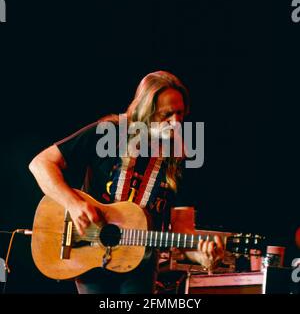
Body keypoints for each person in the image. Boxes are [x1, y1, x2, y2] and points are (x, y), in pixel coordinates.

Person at [29, 71, 224, 294]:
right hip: (88, 250)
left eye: (180, 113)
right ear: (145, 112)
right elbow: (41, 163)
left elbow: (182, 232)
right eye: (167, 115)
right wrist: (73, 204)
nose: (176, 123)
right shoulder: (108, 133)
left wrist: (204, 256)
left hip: (141, 264)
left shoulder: (180, 159)